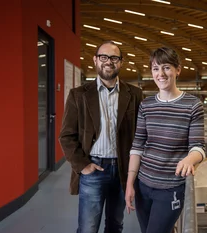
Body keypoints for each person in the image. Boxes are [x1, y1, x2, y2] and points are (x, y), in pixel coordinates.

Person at [59, 41, 143, 233]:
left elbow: (142, 134)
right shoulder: (78, 95)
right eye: (103, 57)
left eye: (114, 58)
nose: (109, 62)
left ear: (121, 62)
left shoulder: (135, 94)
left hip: (124, 170)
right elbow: (66, 136)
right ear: (96, 60)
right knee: (88, 228)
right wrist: (83, 166)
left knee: (115, 225)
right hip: (93, 170)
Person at [125, 47, 206, 233]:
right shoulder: (146, 105)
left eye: (166, 67)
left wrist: (189, 159)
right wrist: (130, 184)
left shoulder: (193, 105)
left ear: (178, 69)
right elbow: (137, 146)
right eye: (155, 68)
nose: (160, 74)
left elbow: (198, 147)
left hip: (170, 189)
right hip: (143, 185)